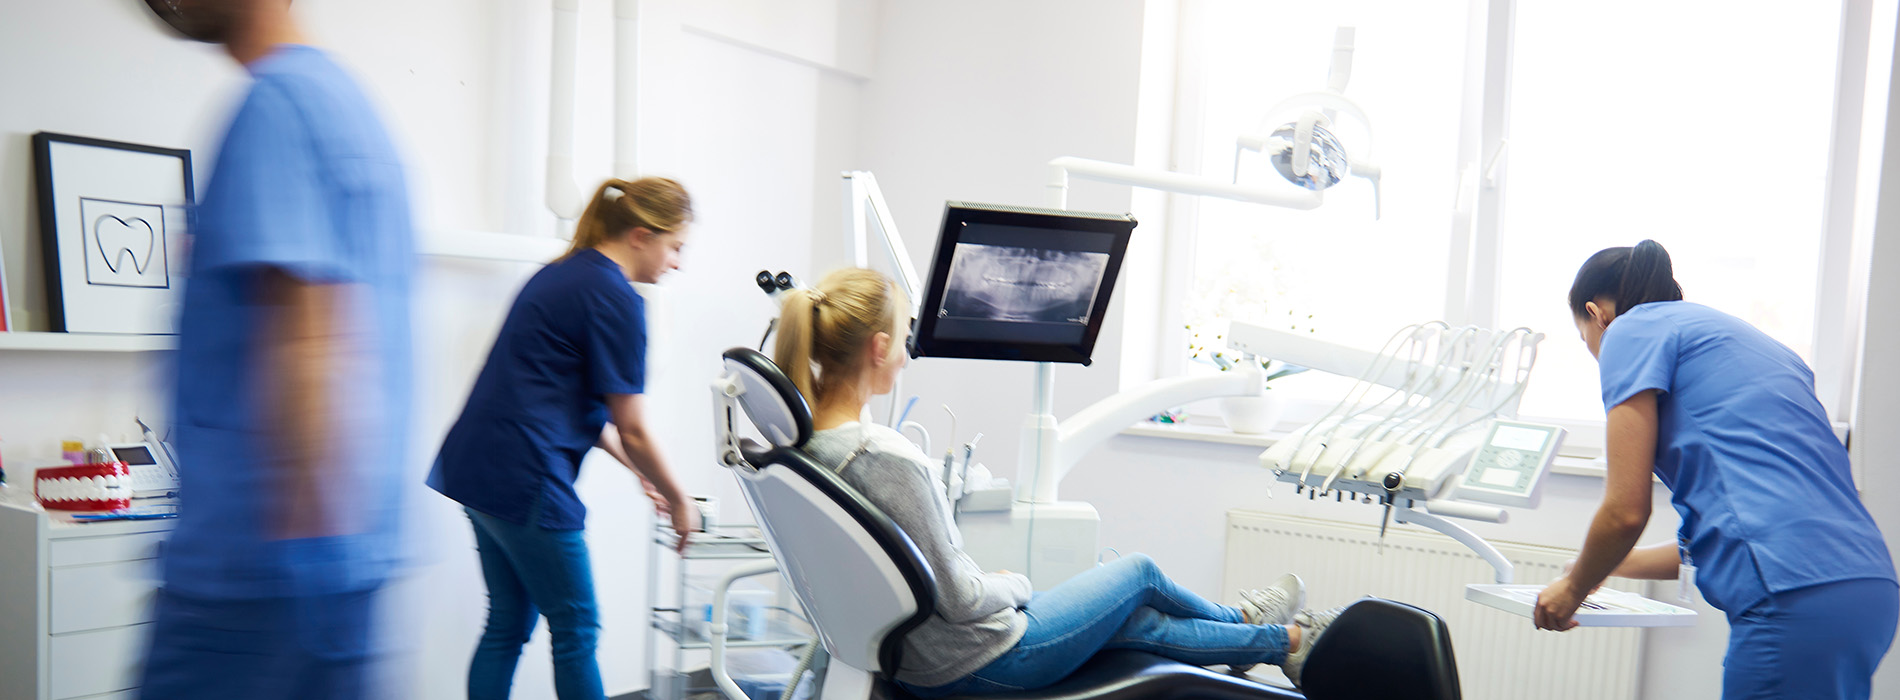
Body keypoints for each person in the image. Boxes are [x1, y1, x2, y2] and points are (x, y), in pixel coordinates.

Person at [773, 268, 1341, 696]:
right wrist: (1014, 583)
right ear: (877, 348)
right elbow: (964, 597)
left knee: (1136, 620)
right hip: (980, 659)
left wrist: (986, 586)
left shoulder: (808, 449)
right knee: (1138, 573)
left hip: (928, 653)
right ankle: (1256, 625)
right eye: (901, 340)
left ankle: (1282, 641)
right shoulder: (883, 457)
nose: (905, 355)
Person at [136, 1, 414, 698]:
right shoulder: (343, 104)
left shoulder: (276, 106)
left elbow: (313, 341)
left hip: (255, 578)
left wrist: (304, 579)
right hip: (326, 563)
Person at [1534, 240, 1898, 698]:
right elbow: (1732, 533)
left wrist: (1571, 589)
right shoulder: (1749, 343)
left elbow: (1625, 510)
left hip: (1788, 595)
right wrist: (1600, 566)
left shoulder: (1628, 331)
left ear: (1597, 314)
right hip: (1865, 591)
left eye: (1585, 338)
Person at [427, 177, 702, 700]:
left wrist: (642, 474)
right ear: (642, 235)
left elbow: (568, 403)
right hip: (525, 475)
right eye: (676, 247)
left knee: (507, 623)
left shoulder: (563, 274)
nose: (678, 263)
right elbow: (633, 426)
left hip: (476, 466)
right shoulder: (614, 296)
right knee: (577, 628)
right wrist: (679, 497)